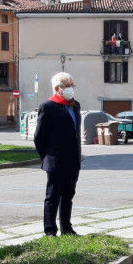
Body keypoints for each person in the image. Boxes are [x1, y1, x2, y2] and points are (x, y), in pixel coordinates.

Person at [34, 72, 82, 237]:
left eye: (72, 85)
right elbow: (39, 137)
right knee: (52, 197)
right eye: (67, 86)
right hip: (55, 160)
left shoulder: (75, 105)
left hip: (73, 160)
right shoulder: (48, 106)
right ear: (57, 88)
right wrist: (46, 156)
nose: (70, 89)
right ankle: (50, 230)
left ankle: (66, 228)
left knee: (68, 196)